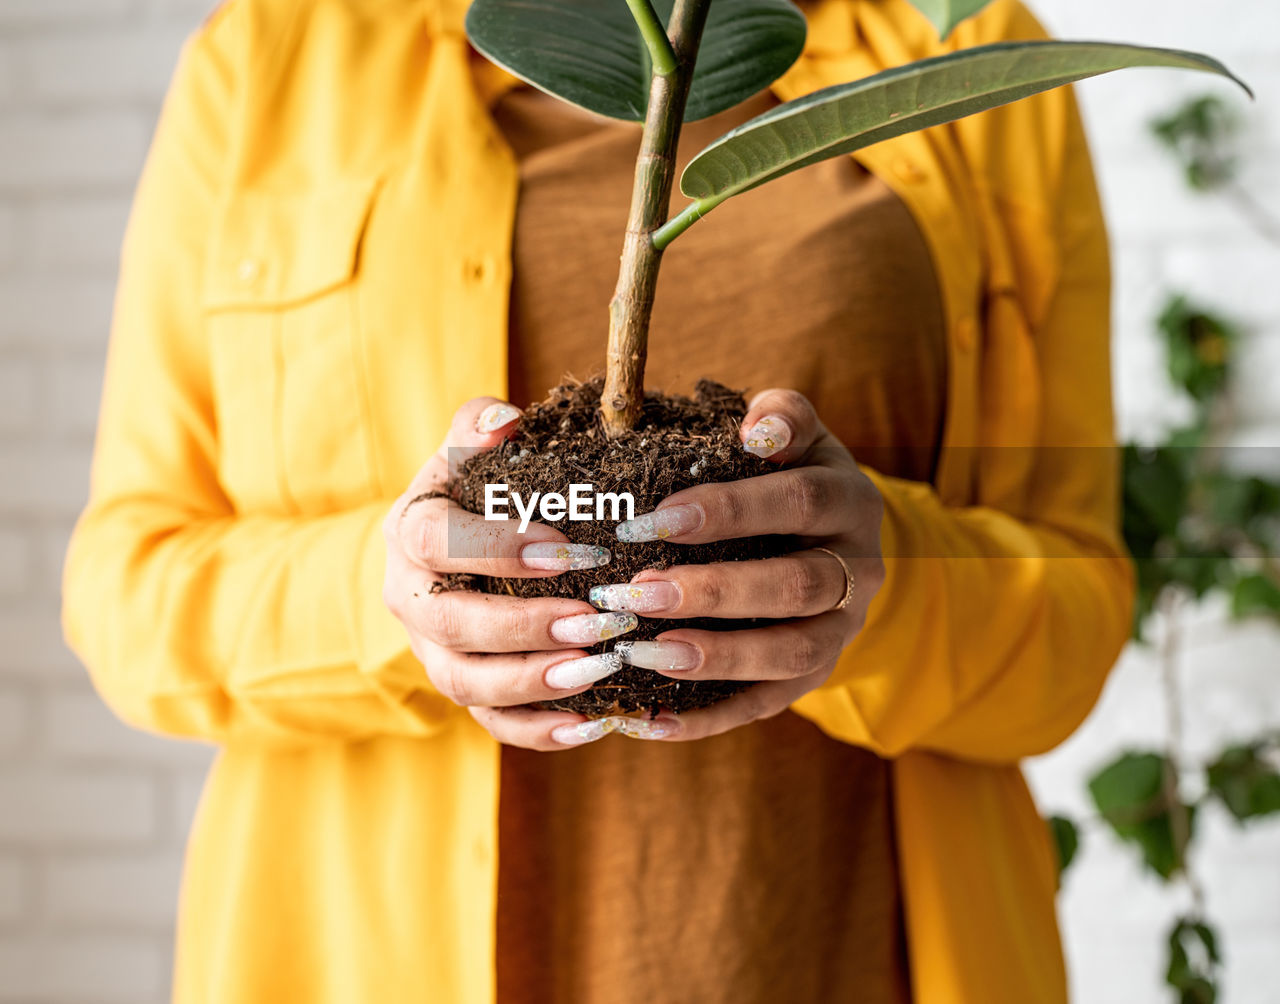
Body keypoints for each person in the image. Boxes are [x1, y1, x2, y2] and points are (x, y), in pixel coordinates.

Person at [61, 0, 1134, 1000]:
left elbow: (1075, 614)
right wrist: (393, 592)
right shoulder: (277, 58)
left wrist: (877, 575)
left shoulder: (960, 52)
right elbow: (130, 593)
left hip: (840, 950)